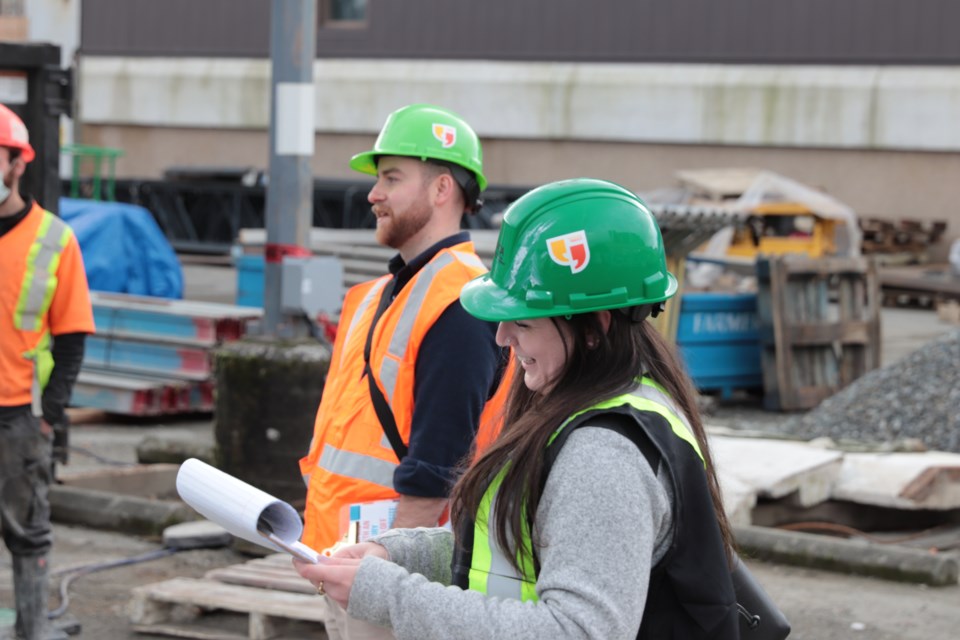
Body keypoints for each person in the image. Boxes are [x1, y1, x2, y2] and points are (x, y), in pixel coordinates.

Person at [294, 178, 741, 639]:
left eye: (522, 322)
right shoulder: (587, 412)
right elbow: (507, 546)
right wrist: (396, 555)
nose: (503, 338)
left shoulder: (604, 456)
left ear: (593, 329)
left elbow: (577, 630)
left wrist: (390, 593)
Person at [298, 104, 512, 639]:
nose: (374, 194)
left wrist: (385, 577)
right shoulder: (378, 296)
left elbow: (437, 467)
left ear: (443, 189)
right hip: (345, 557)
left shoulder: (460, 303)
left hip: (392, 575)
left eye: (391, 178)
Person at [0, 103, 95, 640]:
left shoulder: (54, 240)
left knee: (26, 535)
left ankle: (32, 631)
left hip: (18, 417)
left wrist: (49, 417)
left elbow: (73, 336)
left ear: (18, 164)